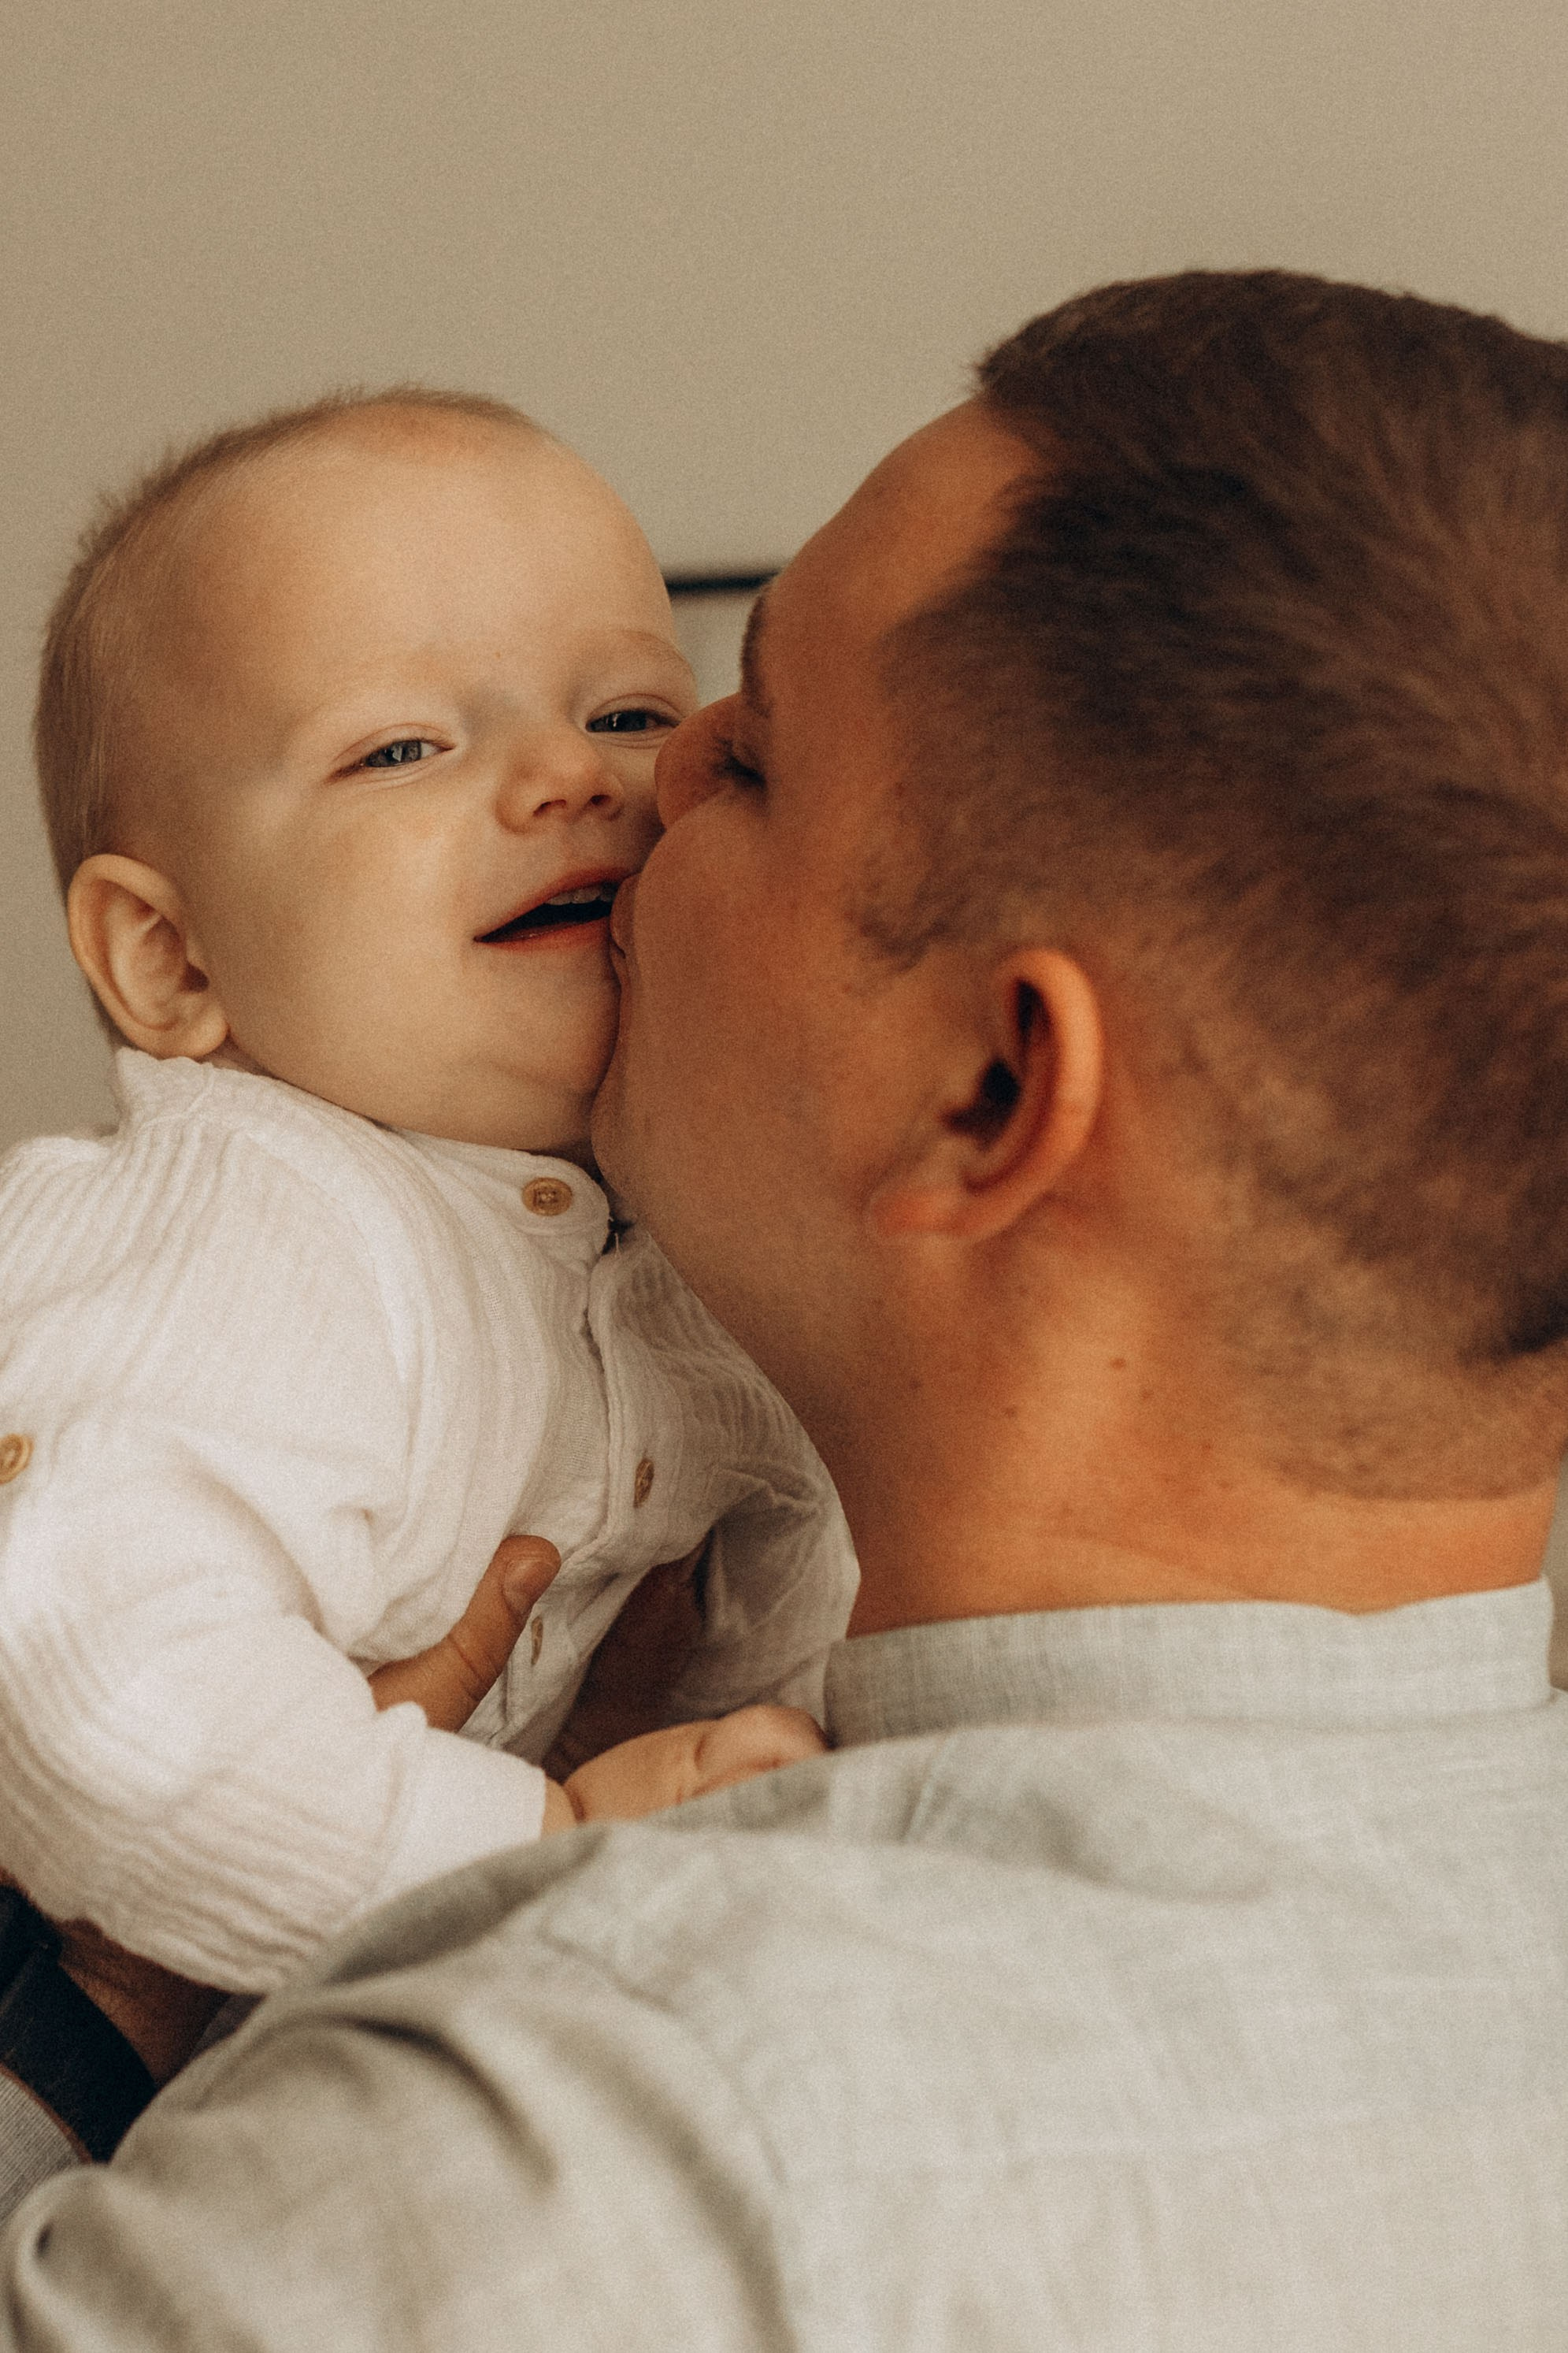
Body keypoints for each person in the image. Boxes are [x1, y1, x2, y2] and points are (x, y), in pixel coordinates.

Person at [3, 266, 1568, 2347]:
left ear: (991, 1088)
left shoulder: (550, 2139)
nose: (625, 786)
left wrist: (88, 1997)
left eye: (733, 749)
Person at [0, 391, 848, 2076]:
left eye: (626, 710)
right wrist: (532, 1858)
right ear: (174, 963)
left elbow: (799, 1608)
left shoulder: (677, 1235)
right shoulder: (237, 1227)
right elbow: (99, 1695)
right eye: (403, 747)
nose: (566, 778)